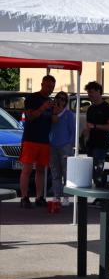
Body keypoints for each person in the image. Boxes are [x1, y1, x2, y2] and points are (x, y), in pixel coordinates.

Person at [19, 75, 59, 208]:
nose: (50, 89)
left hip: (44, 140)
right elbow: (30, 116)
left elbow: (53, 121)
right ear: (42, 84)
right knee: (27, 169)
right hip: (30, 139)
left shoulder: (50, 101)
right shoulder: (32, 98)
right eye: (48, 86)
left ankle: (39, 197)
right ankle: (24, 197)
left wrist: (55, 112)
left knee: (41, 170)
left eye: (52, 87)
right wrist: (43, 107)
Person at [83, 81, 109, 206]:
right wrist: (85, 135)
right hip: (90, 144)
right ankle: (98, 195)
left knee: (98, 170)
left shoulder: (108, 108)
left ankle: (102, 196)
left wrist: (95, 126)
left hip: (101, 144)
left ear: (98, 91)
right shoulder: (90, 109)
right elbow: (88, 126)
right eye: (88, 93)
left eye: (91, 92)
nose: (89, 95)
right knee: (92, 171)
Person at [49, 91, 75, 207]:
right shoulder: (51, 113)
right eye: (59, 98)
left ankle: (66, 196)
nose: (60, 100)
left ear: (66, 102)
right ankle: (56, 196)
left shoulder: (68, 114)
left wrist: (70, 145)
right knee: (55, 172)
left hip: (65, 146)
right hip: (52, 146)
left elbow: (72, 132)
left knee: (66, 172)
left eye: (63, 99)